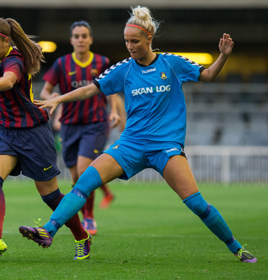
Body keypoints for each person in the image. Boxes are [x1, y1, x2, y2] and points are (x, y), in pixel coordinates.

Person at [19, 6, 257, 263]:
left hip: (165, 147)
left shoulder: (172, 63)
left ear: (149, 39)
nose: (130, 46)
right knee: (83, 184)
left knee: (197, 204)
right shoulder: (124, 69)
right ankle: (49, 230)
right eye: (126, 41)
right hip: (130, 145)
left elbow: (208, 75)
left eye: (134, 41)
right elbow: (90, 90)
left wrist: (222, 56)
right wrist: (59, 100)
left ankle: (237, 248)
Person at [0, 18, 92, 260]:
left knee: (51, 196)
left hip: (34, 133)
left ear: (6, 41)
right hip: (5, 132)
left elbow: (9, 81)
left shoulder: (15, 59)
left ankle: (81, 236)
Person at [40, 20, 114, 235]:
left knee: (83, 171)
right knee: (75, 178)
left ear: (90, 39)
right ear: (71, 40)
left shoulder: (102, 62)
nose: (81, 40)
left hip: (95, 124)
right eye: (77, 36)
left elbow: (113, 89)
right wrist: (52, 97)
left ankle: (89, 217)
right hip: (69, 126)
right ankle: (85, 214)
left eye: (84, 36)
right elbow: (45, 90)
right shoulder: (62, 64)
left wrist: (116, 111)